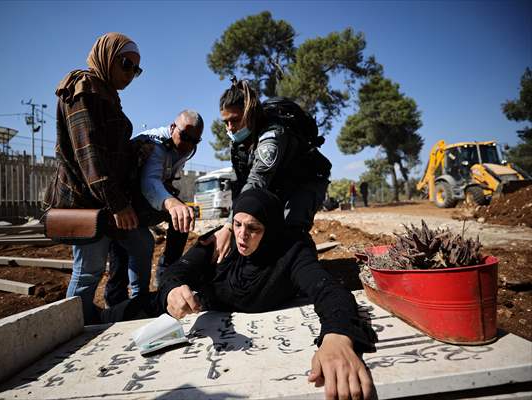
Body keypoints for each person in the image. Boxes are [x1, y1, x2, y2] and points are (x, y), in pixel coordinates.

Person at [157, 188, 376, 400]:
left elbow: (327, 289)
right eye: (238, 224)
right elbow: (177, 272)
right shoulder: (219, 243)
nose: (242, 235)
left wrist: (337, 335)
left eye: (253, 228)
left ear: (270, 229)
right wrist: (173, 290)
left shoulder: (290, 253)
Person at [43, 32, 146, 324]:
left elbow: (113, 150)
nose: (131, 74)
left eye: (136, 70)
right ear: (106, 57)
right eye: (126, 64)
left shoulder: (107, 94)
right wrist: (118, 204)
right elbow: (90, 158)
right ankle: (73, 329)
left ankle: (137, 308)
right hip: (88, 202)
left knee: (141, 244)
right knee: (88, 269)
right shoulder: (83, 88)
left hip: (104, 200)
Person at [208, 78, 332, 262]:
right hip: (278, 183)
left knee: (292, 229)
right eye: (226, 122)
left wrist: (228, 226)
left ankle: (307, 266)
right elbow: (245, 185)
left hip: (305, 183)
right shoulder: (241, 144)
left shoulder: (271, 138)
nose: (230, 128)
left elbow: (256, 181)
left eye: (234, 120)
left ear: (249, 113)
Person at [104, 110, 204, 306]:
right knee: (122, 249)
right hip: (123, 205)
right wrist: (170, 202)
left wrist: (174, 202)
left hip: (145, 202)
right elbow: (150, 182)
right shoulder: (155, 145)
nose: (188, 144)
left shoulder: (183, 148)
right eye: (185, 137)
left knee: (182, 218)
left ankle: (165, 274)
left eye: (195, 141)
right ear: (173, 127)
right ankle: (114, 302)